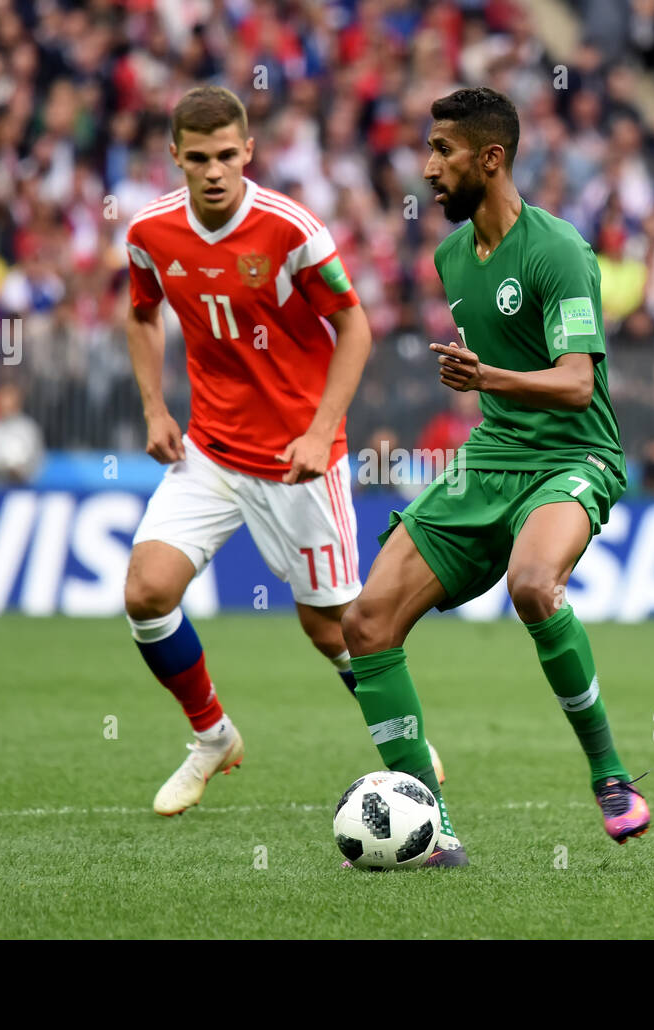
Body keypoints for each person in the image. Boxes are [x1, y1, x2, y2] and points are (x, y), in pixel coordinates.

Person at [341, 88, 649, 869]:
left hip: (574, 455)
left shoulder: (558, 251)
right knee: (366, 624)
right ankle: (431, 827)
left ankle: (610, 774)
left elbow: (578, 383)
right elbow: (493, 386)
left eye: (442, 152)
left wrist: (490, 378)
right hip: (493, 459)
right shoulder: (449, 257)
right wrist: (489, 388)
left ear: (491, 157)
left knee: (534, 585)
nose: (427, 168)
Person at [121, 86, 440, 816]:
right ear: (175, 155)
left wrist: (323, 429)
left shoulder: (290, 230)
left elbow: (353, 326)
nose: (212, 171)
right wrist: (154, 408)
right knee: (146, 593)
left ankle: (406, 745)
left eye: (226, 156)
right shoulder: (150, 233)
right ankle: (212, 737)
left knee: (334, 626)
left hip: (301, 458)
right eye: (197, 158)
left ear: (248, 153)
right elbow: (141, 313)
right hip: (210, 450)